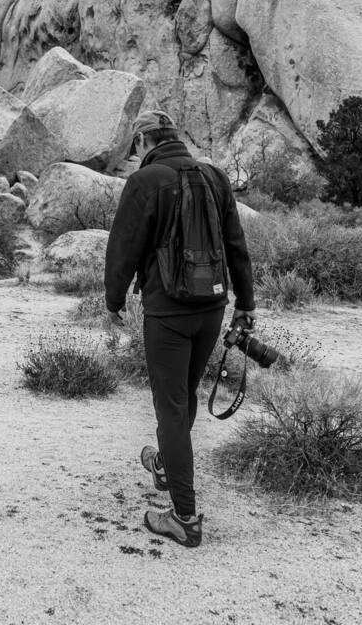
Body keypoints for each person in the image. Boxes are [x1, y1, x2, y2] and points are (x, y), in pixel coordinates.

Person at [104, 110, 255, 548]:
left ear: (142, 142)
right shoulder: (214, 177)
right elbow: (236, 248)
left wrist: (113, 303)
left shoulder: (145, 182)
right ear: (175, 137)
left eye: (135, 148)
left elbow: (123, 248)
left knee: (170, 407)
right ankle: (168, 467)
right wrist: (245, 305)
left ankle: (184, 518)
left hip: (167, 312)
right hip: (212, 308)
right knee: (183, 396)